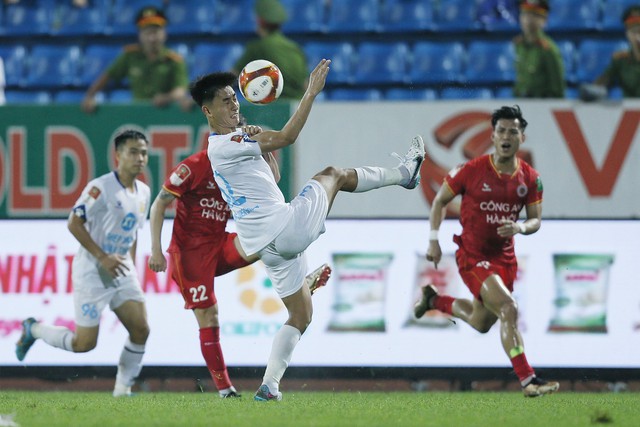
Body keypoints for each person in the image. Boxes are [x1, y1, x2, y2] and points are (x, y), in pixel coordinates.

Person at [190, 59, 425, 401]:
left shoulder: (234, 141)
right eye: (225, 101)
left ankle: (269, 386)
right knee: (334, 174)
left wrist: (258, 142)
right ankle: (406, 174)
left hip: (267, 247)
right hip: (283, 228)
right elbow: (288, 136)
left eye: (234, 98)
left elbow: (274, 180)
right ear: (207, 111)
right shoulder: (223, 145)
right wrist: (311, 93)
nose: (234, 104)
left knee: (301, 315)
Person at [147, 142, 332, 398]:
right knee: (209, 317)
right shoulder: (193, 167)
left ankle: (301, 281)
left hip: (220, 242)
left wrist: (264, 150)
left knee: (270, 237)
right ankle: (225, 389)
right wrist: (156, 250)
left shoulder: (240, 165)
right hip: (190, 255)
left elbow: (274, 179)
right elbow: (160, 202)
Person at [415, 105, 559, 398]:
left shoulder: (530, 179)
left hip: (504, 260)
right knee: (509, 308)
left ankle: (435, 300)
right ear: (492, 136)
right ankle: (528, 379)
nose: (506, 136)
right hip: (472, 255)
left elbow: (535, 221)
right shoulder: (471, 170)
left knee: (482, 322)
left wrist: (521, 228)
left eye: (513, 131)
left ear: (522, 136)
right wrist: (433, 239)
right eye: (501, 131)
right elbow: (440, 201)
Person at [15, 130, 152, 397]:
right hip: (92, 270)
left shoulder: (144, 192)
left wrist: (131, 266)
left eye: (144, 152)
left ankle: (122, 391)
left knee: (141, 329)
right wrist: (102, 256)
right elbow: (74, 222)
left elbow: (133, 231)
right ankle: (33, 329)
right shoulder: (100, 187)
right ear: (118, 156)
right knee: (84, 344)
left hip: (121, 270)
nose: (140, 158)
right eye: (133, 152)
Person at [81, 6, 190, 113]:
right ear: (140, 35)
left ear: (164, 33)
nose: (151, 38)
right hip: (137, 114)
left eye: (155, 32)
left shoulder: (174, 60)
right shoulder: (130, 56)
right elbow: (107, 76)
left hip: (165, 115)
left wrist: (166, 98)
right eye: (147, 32)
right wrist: (90, 96)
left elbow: (180, 91)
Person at [233, 0, 308, 101]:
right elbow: (305, 85)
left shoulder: (257, 47)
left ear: (260, 21)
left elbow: (232, 76)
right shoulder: (295, 48)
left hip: (271, 108)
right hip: (297, 105)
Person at [581, 5, 640, 100]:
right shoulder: (621, 59)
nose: (637, 37)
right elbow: (603, 82)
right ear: (627, 34)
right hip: (630, 110)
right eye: (634, 31)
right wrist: (593, 90)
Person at [512, 0, 565, 98]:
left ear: (544, 21)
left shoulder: (548, 49)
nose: (528, 20)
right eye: (525, 15)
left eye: (535, 16)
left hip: (540, 106)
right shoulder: (517, 45)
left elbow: (558, 89)